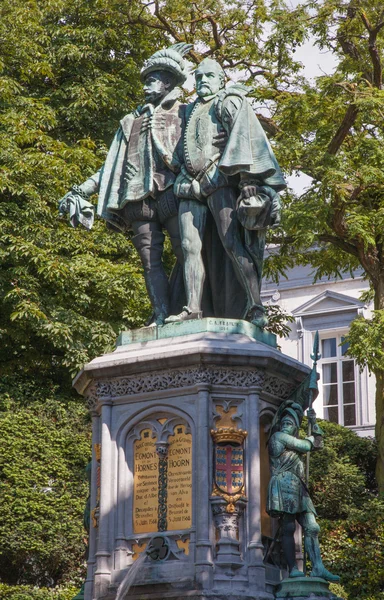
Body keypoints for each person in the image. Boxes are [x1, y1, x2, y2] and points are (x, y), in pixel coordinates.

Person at [59, 44, 192, 325]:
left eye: (151, 80)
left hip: (173, 194)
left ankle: (193, 308)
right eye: (144, 81)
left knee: (187, 252)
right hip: (137, 199)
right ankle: (160, 314)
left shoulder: (186, 114)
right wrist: (82, 189)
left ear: (168, 82)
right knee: (150, 263)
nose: (145, 86)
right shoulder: (130, 122)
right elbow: (109, 169)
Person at [165, 58, 286, 326]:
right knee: (188, 247)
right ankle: (193, 307)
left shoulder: (228, 101)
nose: (202, 81)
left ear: (221, 80)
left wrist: (246, 180)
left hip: (218, 181)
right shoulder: (189, 109)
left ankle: (255, 305)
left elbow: (244, 137)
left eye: (209, 76)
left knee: (232, 243)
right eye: (198, 77)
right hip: (189, 184)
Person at [267, 403, 340, 582]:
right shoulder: (278, 437)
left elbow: (318, 444)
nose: (285, 425)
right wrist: (310, 439)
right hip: (283, 484)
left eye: (289, 424)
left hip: (298, 486)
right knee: (288, 526)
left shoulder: (293, 441)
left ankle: (318, 568)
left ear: (295, 428)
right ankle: (292, 568)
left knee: (312, 526)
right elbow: (308, 446)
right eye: (283, 422)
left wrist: (314, 422)